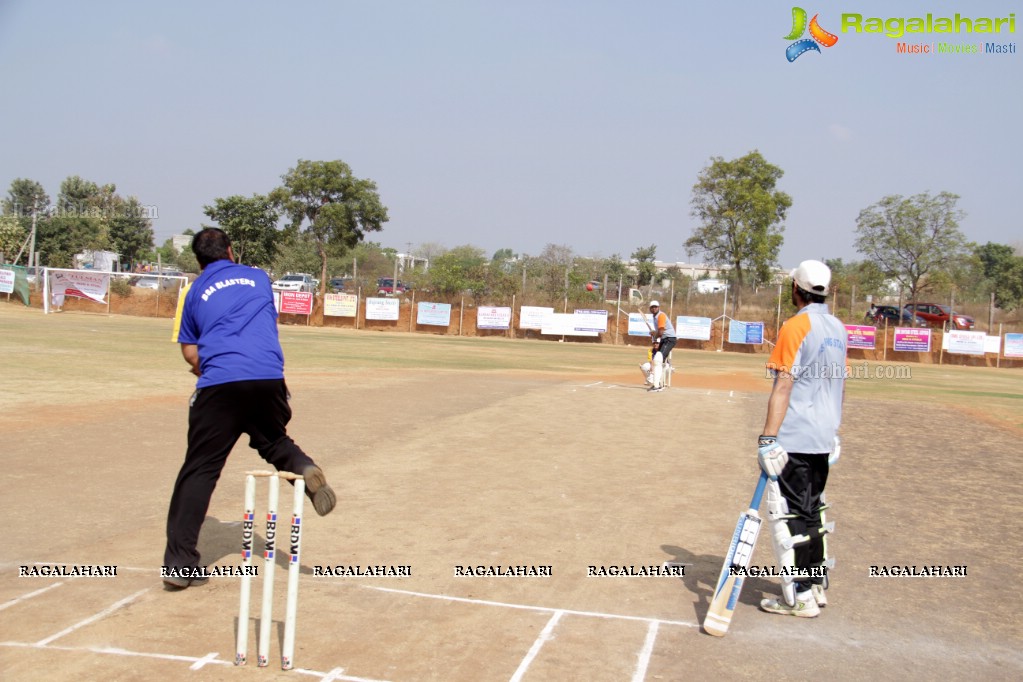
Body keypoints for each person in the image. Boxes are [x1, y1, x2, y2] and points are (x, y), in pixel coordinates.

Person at [163, 228, 336, 590]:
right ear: (230, 251)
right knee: (272, 439)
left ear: (199, 260)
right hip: (268, 377)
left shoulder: (193, 291)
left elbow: (191, 353)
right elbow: (264, 327)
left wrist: (206, 368)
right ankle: (303, 468)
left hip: (221, 381)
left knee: (201, 468)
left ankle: (181, 565)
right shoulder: (259, 278)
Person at [756, 260, 845, 618]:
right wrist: (834, 429)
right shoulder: (837, 327)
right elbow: (839, 385)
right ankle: (816, 585)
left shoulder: (796, 326)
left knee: (790, 515)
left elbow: (784, 383)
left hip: (795, 436)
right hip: (823, 436)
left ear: (795, 287)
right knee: (812, 513)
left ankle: (802, 597)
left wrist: (767, 439)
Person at [645, 300, 676, 392]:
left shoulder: (661, 316)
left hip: (669, 339)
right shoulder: (654, 317)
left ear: (658, 307)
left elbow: (661, 331)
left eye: (656, 307)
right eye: (652, 307)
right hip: (664, 339)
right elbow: (659, 332)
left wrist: (655, 334)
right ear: (650, 308)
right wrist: (654, 333)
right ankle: (658, 384)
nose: (654, 308)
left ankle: (657, 386)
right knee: (657, 361)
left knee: (658, 360)